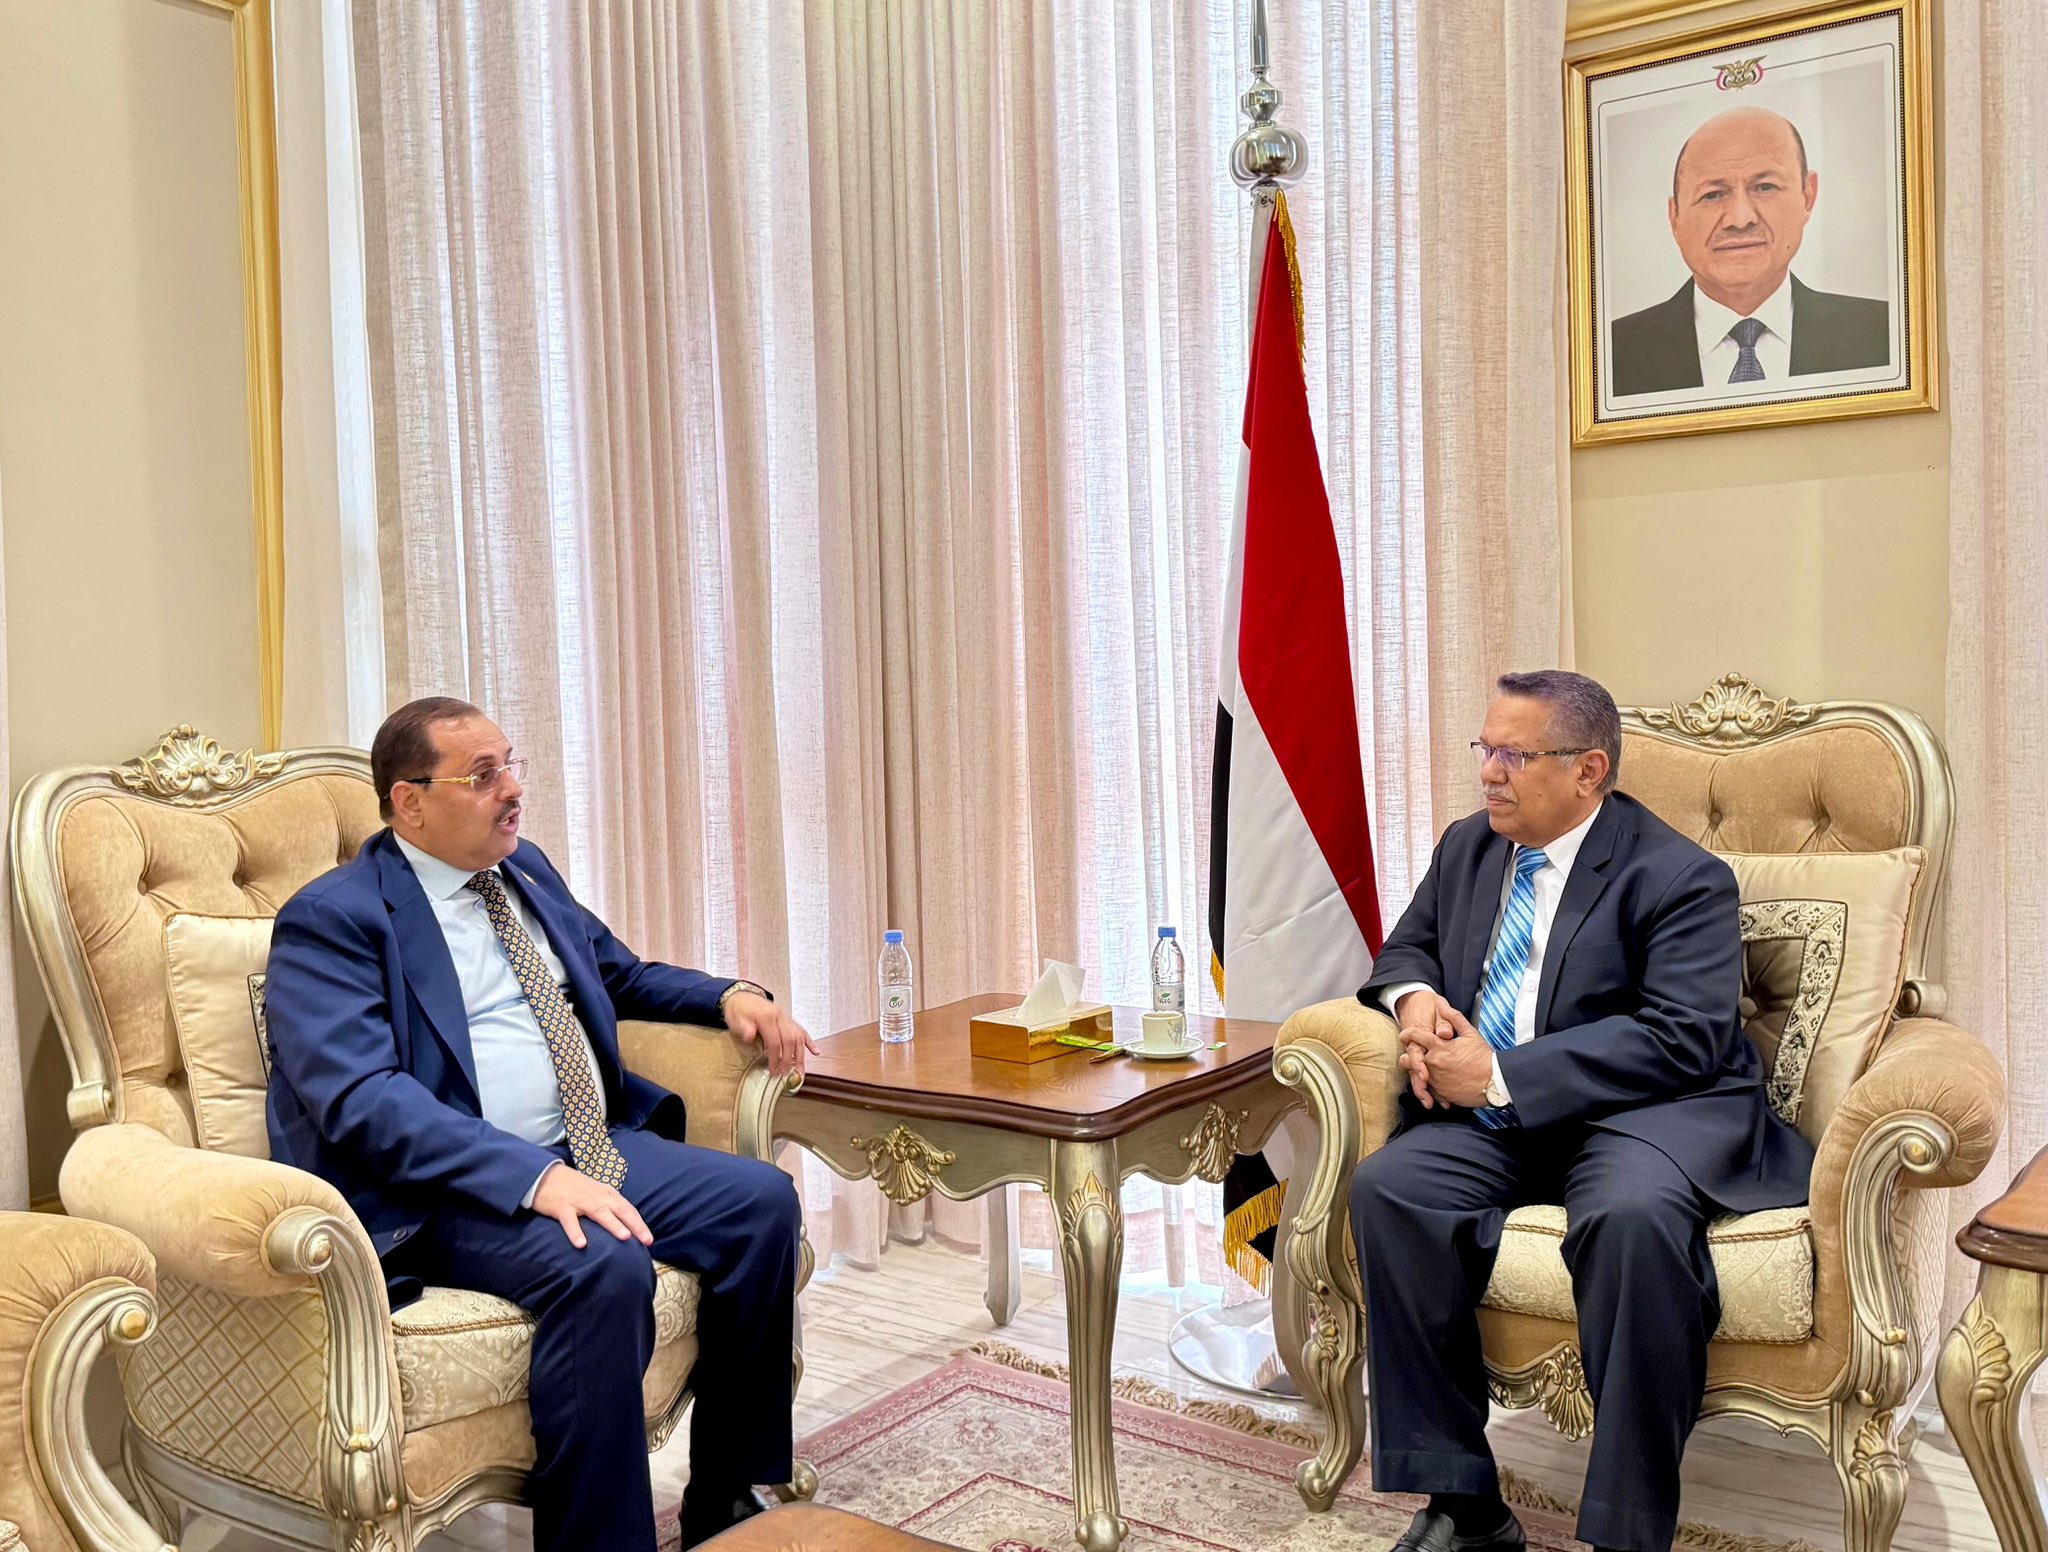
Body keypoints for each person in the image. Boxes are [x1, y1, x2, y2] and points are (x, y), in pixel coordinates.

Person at [264, 696, 816, 1552]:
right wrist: (533, 1177)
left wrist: (727, 996)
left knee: (761, 1204)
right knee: (604, 1264)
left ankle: (724, 1502)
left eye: (510, 765)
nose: (513, 789)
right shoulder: (334, 919)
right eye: (483, 776)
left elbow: (616, 974)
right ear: (410, 802)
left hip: (585, 1144)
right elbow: (362, 1098)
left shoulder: (523, 870)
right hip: (445, 1189)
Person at [1351, 670, 1812, 1552]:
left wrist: (1497, 1073)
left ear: (1588, 770)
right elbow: (1406, 947)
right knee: (1391, 1189)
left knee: (1632, 1221)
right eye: (1486, 748)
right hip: (1499, 1119)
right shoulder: (1468, 847)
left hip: (1647, 1113)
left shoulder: (1681, 876)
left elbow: (1682, 1038)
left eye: (1514, 755)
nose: (1489, 772)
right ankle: (1467, 1509)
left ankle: (1625, 1533)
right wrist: (1415, 1003)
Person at [1609, 106, 1889, 396]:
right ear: (1674, 216)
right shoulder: (1610, 357)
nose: (1740, 219)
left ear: (1808, 196)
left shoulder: (1883, 335)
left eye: (1765, 187)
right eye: (1712, 195)